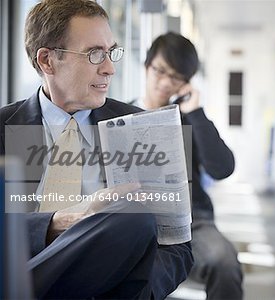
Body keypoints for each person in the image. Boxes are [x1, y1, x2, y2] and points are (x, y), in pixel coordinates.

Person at [0, 0, 193, 299]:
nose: (110, 68)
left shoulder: (143, 128)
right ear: (47, 61)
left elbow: (177, 245)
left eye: (111, 52)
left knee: (134, 218)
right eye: (95, 54)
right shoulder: (4, 127)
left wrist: (134, 291)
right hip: (23, 277)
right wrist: (61, 221)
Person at [132, 32, 243, 300]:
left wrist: (195, 113)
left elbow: (222, 168)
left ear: (186, 83)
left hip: (192, 222)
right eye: (160, 71)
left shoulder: (189, 120)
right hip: (136, 221)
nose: (165, 83)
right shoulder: (120, 115)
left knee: (225, 261)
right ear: (147, 67)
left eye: (176, 77)